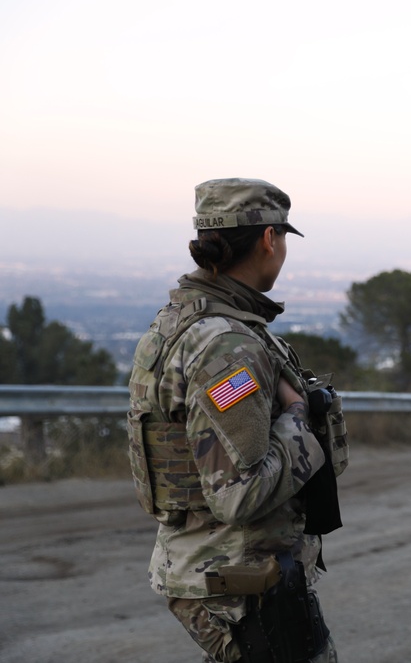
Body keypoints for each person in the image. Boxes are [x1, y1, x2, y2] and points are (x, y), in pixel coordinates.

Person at [127, 178, 343, 663]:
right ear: (269, 239)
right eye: (282, 238)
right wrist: (296, 417)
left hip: (220, 571)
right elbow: (238, 492)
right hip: (240, 582)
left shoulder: (181, 321)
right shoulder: (228, 345)